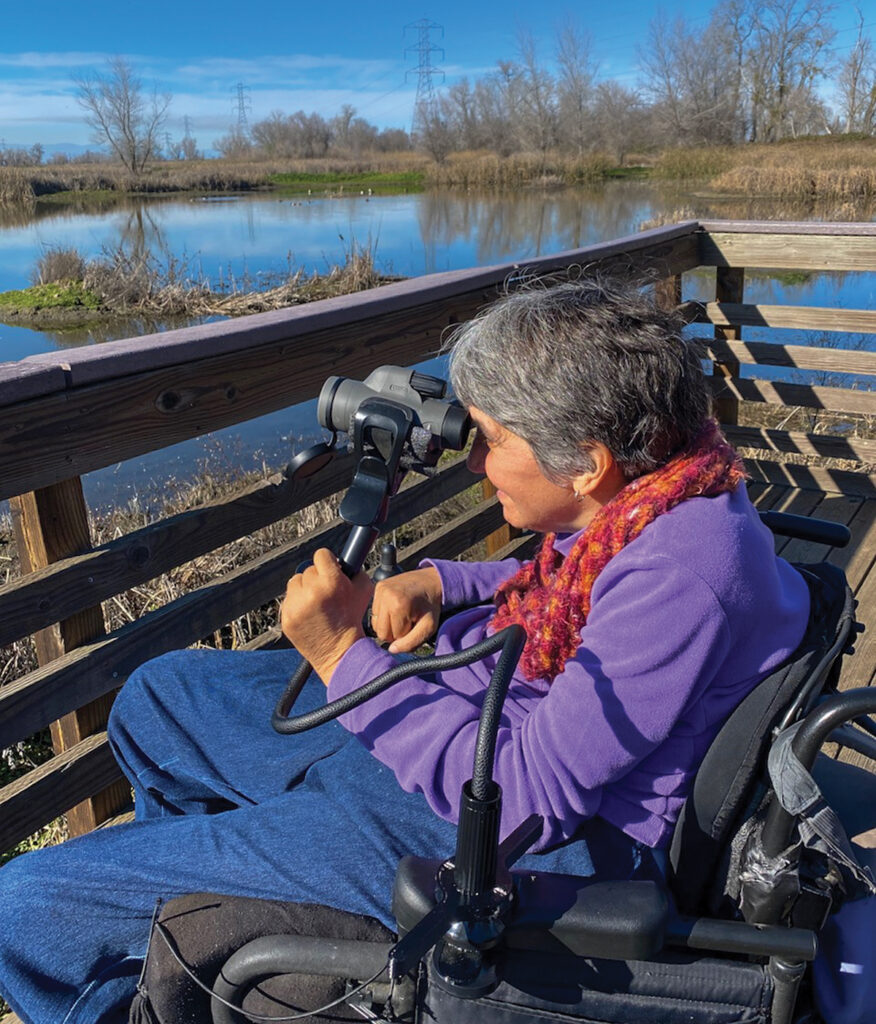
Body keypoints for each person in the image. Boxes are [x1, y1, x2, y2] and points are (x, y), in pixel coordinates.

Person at [0, 279, 811, 1023]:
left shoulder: (679, 573)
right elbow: (577, 583)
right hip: (472, 721)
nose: (473, 459)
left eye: (492, 438)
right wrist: (444, 582)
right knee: (157, 698)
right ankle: (196, 935)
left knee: (24, 905)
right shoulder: (670, 484)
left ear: (590, 461)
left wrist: (343, 657)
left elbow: (524, 797)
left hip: (508, 841)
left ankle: (181, 959)